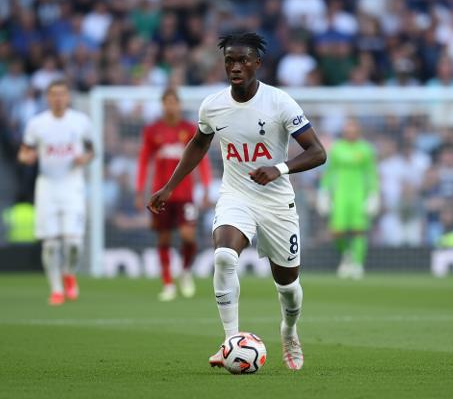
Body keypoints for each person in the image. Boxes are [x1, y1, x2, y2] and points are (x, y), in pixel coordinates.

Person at [147, 32, 326, 371]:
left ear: (257, 63)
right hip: (236, 195)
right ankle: (230, 341)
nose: (236, 67)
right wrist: (169, 187)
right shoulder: (213, 105)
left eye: (243, 60)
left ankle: (289, 331)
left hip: (276, 202)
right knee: (224, 257)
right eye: (230, 60)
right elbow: (199, 144)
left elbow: (318, 152)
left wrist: (279, 169)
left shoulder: (280, 102)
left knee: (288, 287)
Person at [18, 80, 94, 306]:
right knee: (50, 244)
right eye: (53, 94)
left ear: (68, 97)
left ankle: (68, 273)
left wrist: (84, 158)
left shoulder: (81, 121)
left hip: (72, 185)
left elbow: (92, 150)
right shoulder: (37, 124)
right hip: (47, 186)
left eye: (62, 94)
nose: (58, 98)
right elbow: (24, 151)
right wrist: (26, 158)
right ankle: (56, 289)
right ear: (48, 98)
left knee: (74, 243)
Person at [135, 88, 212, 301]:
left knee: (188, 236)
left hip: (186, 194)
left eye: (174, 102)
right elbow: (143, 161)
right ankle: (168, 283)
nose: (170, 106)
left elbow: (202, 159)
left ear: (179, 105)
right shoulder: (152, 131)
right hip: (161, 195)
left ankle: (185, 272)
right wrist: (140, 191)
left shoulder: (190, 129)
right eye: (167, 102)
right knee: (164, 237)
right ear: (162, 105)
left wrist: (206, 187)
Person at [317, 118, 379, 279]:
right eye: (347, 131)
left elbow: (371, 173)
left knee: (359, 231)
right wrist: (324, 191)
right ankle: (347, 255)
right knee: (337, 231)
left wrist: (373, 194)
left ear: (358, 132)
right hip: (340, 195)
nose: (350, 133)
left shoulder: (366, 149)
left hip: (359, 195)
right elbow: (330, 172)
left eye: (353, 131)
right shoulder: (337, 148)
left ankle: (358, 263)